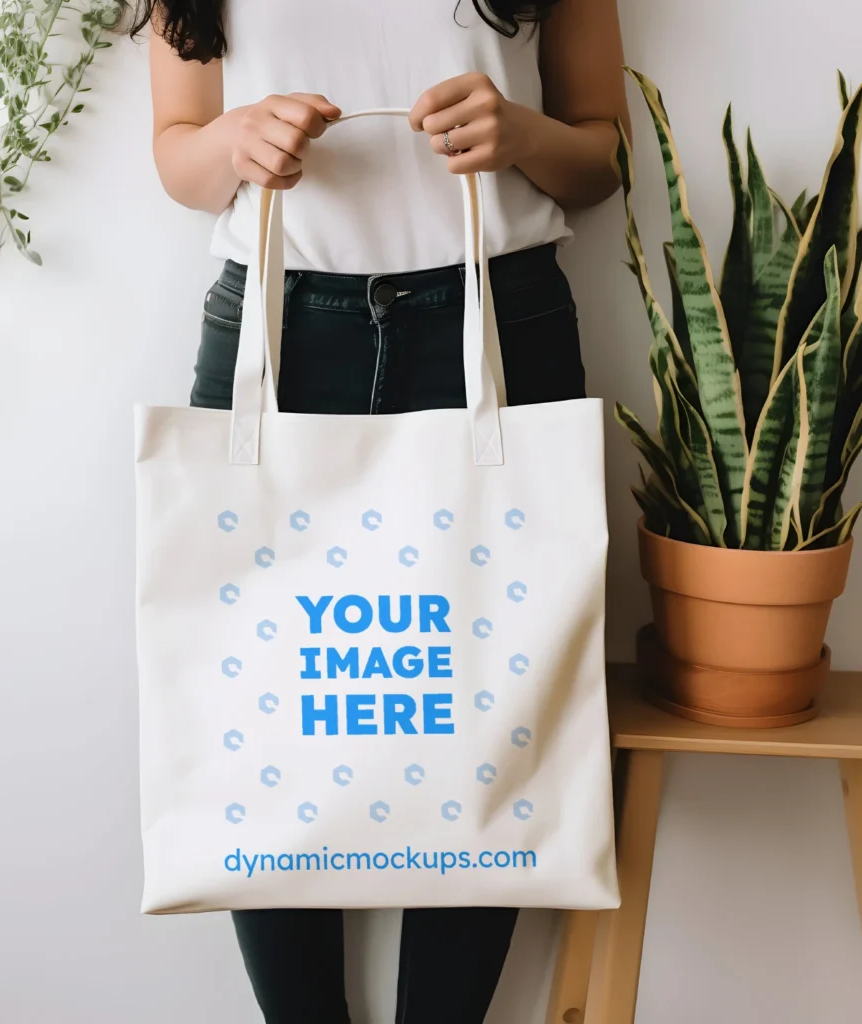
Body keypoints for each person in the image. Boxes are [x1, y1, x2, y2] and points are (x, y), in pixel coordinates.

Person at [132, 1, 629, 1020]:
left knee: (493, 692)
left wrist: (520, 133)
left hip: (501, 308)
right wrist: (235, 140)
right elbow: (177, 156)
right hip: (280, 316)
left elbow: (600, 149)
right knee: (266, 689)